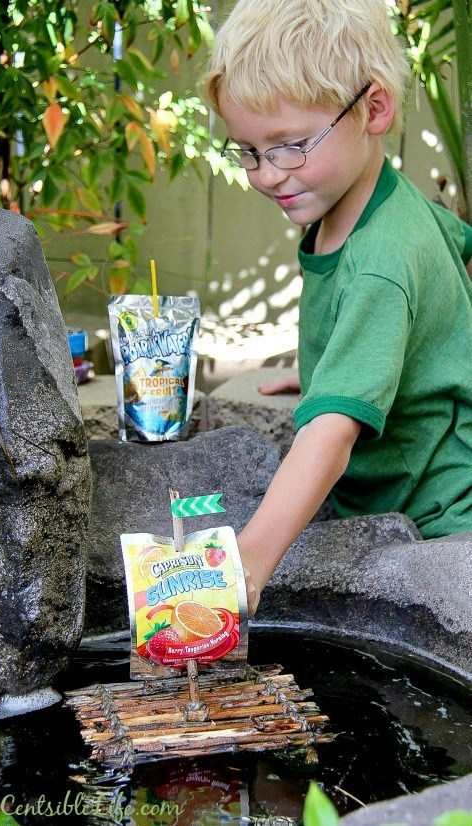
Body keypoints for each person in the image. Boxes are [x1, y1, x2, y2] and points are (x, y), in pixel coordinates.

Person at [202, 0, 472, 617]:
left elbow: (329, 436)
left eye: (290, 146)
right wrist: (354, 352)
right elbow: (461, 247)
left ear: (374, 109)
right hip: (397, 500)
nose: (268, 174)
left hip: (435, 521)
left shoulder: (381, 258)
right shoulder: (375, 199)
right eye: (247, 151)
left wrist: (246, 568)